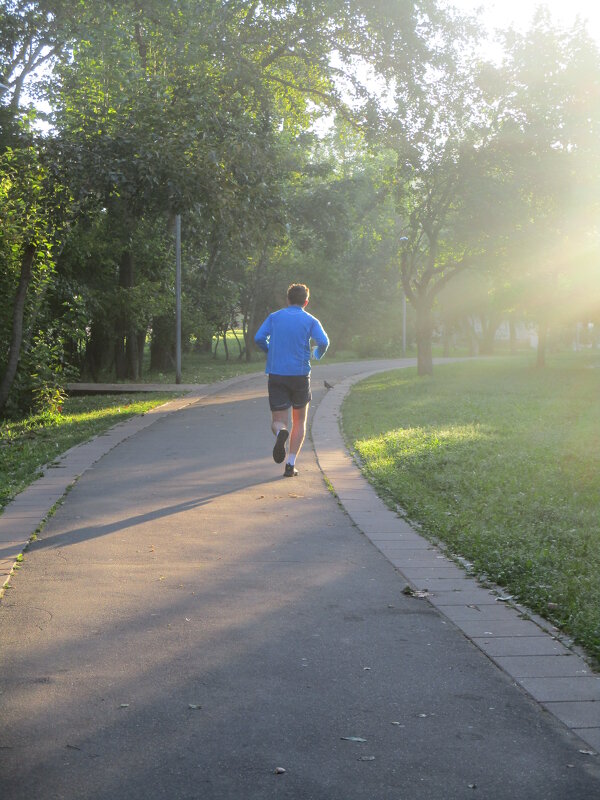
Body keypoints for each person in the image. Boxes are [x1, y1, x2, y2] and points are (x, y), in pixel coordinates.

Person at [254, 283, 329, 477]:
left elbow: (259, 338)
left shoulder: (275, 317)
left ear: (287, 300)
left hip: (277, 374)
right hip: (300, 376)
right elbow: (324, 342)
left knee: (278, 421)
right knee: (300, 420)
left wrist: (270, 351)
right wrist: (317, 354)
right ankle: (291, 463)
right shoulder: (311, 320)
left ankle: (281, 434)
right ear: (306, 302)